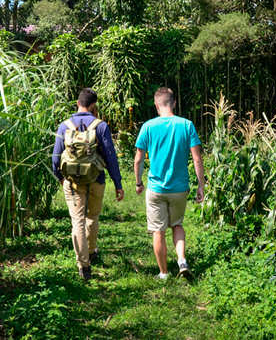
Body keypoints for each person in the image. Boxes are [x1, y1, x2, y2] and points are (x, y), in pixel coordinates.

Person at [52, 88, 124, 281]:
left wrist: (60, 177)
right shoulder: (100, 126)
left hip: (73, 181)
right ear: (93, 106)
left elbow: (55, 156)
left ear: (78, 102)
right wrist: (118, 183)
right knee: (92, 217)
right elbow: (110, 157)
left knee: (77, 221)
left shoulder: (64, 125)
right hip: (96, 179)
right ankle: (91, 251)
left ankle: (83, 264)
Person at [134, 87, 205, 280]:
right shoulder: (186, 125)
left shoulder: (148, 127)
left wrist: (138, 182)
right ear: (173, 103)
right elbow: (197, 159)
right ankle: (182, 260)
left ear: (157, 105)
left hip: (156, 188)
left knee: (158, 230)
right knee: (177, 225)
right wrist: (201, 185)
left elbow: (138, 159)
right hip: (179, 188)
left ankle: (164, 272)